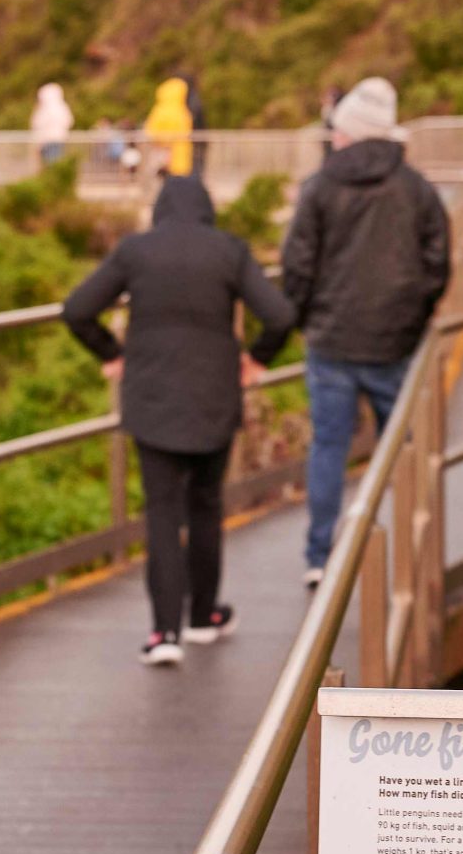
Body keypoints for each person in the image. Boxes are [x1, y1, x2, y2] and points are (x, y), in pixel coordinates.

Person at [65, 175, 295, 666]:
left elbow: (77, 309)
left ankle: (164, 633)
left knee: (163, 514)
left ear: (160, 211)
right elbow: (278, 315)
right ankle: (203, 616)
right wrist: (257, 361)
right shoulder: (229, 251)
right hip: (214, 397)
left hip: (153, 400)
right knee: (207, 507)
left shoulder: (135, 252)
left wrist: (111, 353)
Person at [279, 76, 450, 586]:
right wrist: (413, 319)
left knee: (328, 446)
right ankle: (411, 551)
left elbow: (297, 267)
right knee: (403, 447)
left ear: (349, 132)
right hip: (394, 343)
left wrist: (306, 319)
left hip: (330, 343)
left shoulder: (320, 188)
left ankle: (318, 555)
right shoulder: (416, 189)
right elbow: (437, 263)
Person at [143, 77, 195, 178]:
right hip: (176, 157)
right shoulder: (183, 111)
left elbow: (150, 131)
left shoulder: (160, 110)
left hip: (167, 155)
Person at [31, 82, 74, 166]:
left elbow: (38, 124)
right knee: (54, 163)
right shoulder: (62, 107)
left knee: (51, 164)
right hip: (57, 140)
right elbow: (69, 121)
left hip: (48, 141)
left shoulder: (45, 109)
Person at [183, 70, 209, 180]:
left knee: (195, 166)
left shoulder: (191, 99)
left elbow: (195, 119)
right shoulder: (192, 98)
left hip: (195, 141)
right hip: (195, 140)